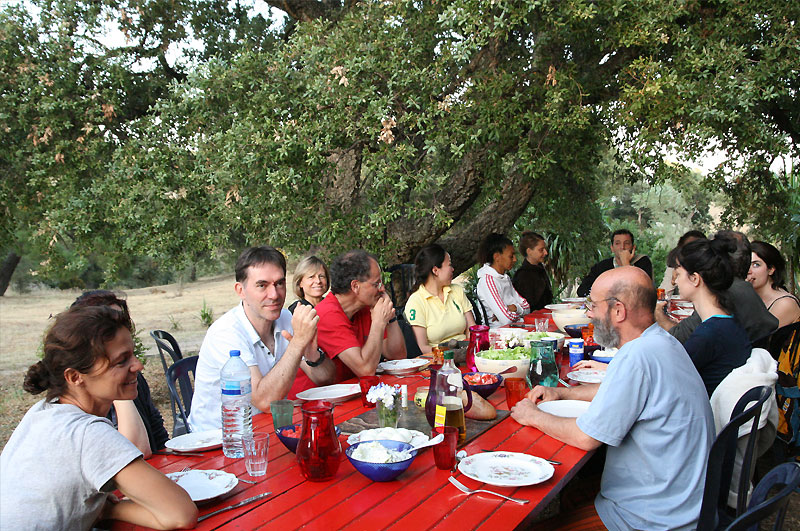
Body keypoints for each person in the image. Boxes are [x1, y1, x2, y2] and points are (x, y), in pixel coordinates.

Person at [511, 266, 714, 530]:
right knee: (573, 493)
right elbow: (619, 392)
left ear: (619, 310)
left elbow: (586, 437)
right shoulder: (660, 341)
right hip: (680, 498)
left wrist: (533, 416)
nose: (589, 314)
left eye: (593, 305)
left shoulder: (638, 357)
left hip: (653, 518)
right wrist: (562, 392)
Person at [0, 306, 197, 530]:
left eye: (133, 354)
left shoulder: (43, 412)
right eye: (121, 361)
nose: (138, 366)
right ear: (75, 377)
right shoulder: (88, 433)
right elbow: (181, 514)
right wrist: (108, 509)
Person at [189, 246, 335, 432]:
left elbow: (326, 379)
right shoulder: (227, 333)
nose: (274, 295)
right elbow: (265, 401)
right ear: (240, 290)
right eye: (262, 285)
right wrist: (298, 342)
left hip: (264, 429)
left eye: (279, 283)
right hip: (219, 441)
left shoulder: (285, 319)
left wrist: (313, 356)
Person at [290, 250, 407, 393]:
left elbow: (398, 356)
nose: (382, 288)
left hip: (349, 394)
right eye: (376, 283)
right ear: (355, 286)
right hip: (313, 404)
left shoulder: (364, 307)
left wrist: (390, 315)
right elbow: (366, 371)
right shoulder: (327, 314)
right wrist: (378, 322)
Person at [70, 290, 168, 457]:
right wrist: (118, 393)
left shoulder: (134, 379)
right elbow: (133, 454)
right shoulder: (76, 416)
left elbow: (159, 439)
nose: (138, 366)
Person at [656, 231, 778, 347]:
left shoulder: (721, 296)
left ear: (718, 260)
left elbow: (678, 339)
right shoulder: (745, 290)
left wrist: (658, 314)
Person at [675, 237, 752, 396]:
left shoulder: (707, 335)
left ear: (695, 279)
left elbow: (669, 381)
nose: (675, 281)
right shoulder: (729, 323)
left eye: (678, 274)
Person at [404, 244, 476, 354]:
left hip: (465, 353)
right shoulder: (416, 301)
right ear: (435, 270)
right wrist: (448, 354)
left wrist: (468, 350)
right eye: (449, 265)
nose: (452, 269)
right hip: (438, 360)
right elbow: (422, 347)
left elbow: (472, 330)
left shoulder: (456, 291)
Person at [576, 229, 653, 297]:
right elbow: (582, 291)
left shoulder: (643, 262)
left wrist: (625, 263)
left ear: (633, 247)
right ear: (612, 248)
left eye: (626, 243)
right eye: (617, 243)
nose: (622, 247)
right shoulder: (602, 266)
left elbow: (642, 292)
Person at [476, 233, 530, 327]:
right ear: (497, 257)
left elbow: (527, 307)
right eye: (511, 256)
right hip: (498, 334)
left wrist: (515, 308)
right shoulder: (488, 281)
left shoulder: (505, 278)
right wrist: (518, 313)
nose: (515, 259)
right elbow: (506, 320)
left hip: (514, 330)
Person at [747, 241, 800, 329]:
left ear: (771, 269)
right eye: (745, 264)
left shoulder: (784, 303)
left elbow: (757, 339)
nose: (748, 271)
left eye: (756, 265)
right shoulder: (750, 298)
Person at [512, 231, 553, 311]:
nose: (546, 253)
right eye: (541, 250)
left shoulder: (540, 269)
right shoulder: (523, 275)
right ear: (529, 251)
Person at [658, 230, 706, 296]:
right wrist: (672, 282)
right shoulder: (675, 265)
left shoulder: (710, 269)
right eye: (688, 249)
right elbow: (661, 296)